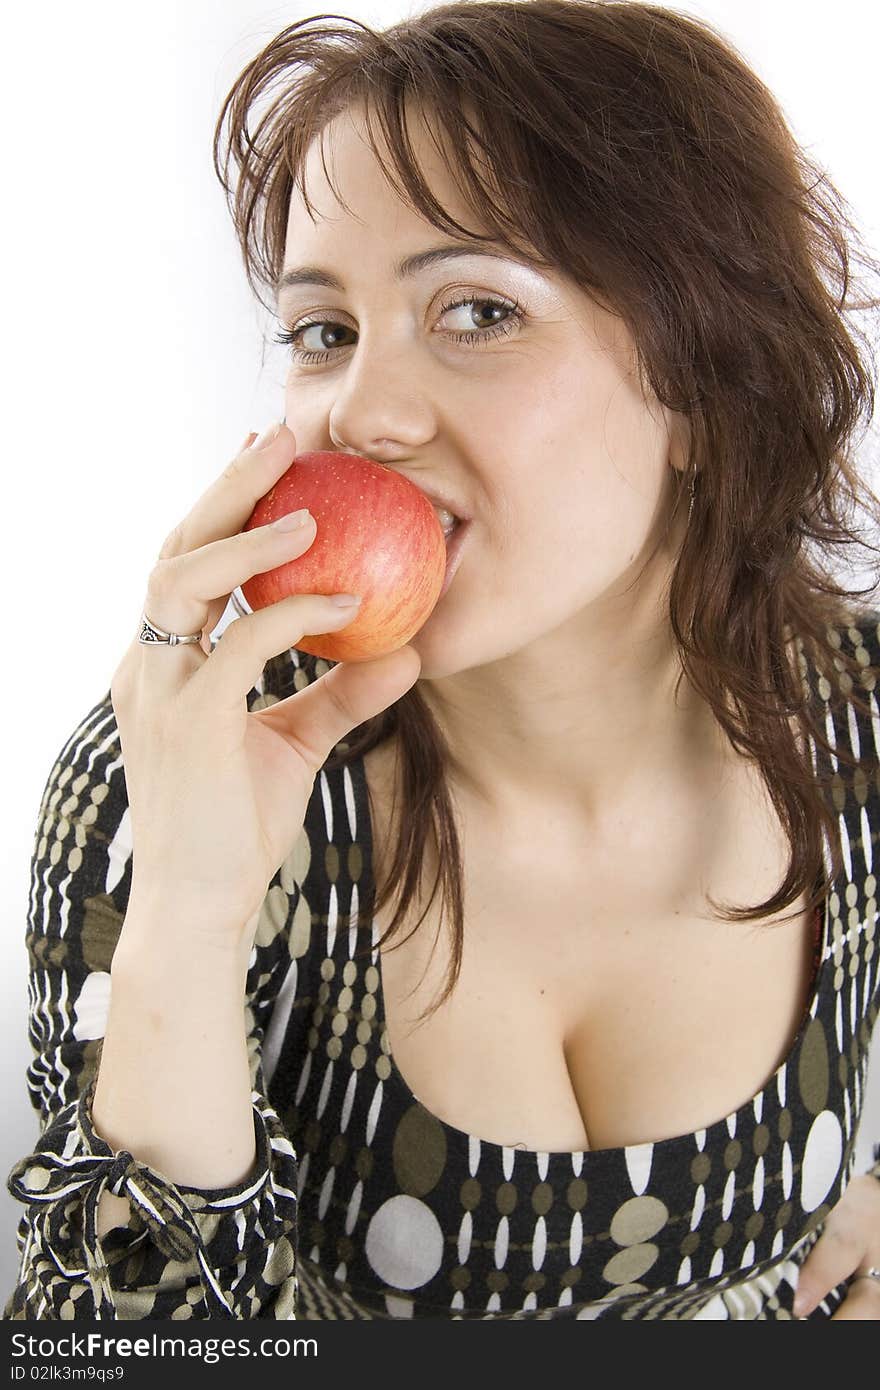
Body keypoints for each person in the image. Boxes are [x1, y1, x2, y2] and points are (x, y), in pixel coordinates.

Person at [5, 0, 880, 1322]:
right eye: (325, 330)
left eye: (476, 310)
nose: (360, 410)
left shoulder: (858, 716)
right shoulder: (176, 775)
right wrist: (186, 915)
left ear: (705, 387)